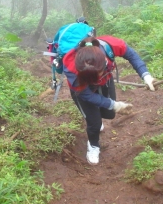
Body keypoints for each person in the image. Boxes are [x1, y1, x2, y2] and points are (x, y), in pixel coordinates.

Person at [62, 35, 155, 165]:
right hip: (83, 90)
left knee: (109, 114)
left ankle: (98, 117)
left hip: (105, 81)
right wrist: (113, 104)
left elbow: (132, 55)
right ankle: (94, 145)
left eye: (97, 72)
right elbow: (86, 95)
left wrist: (146, 76)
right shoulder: (71, 66)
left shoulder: (110, 45)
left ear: (104, 62)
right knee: (94, 123)